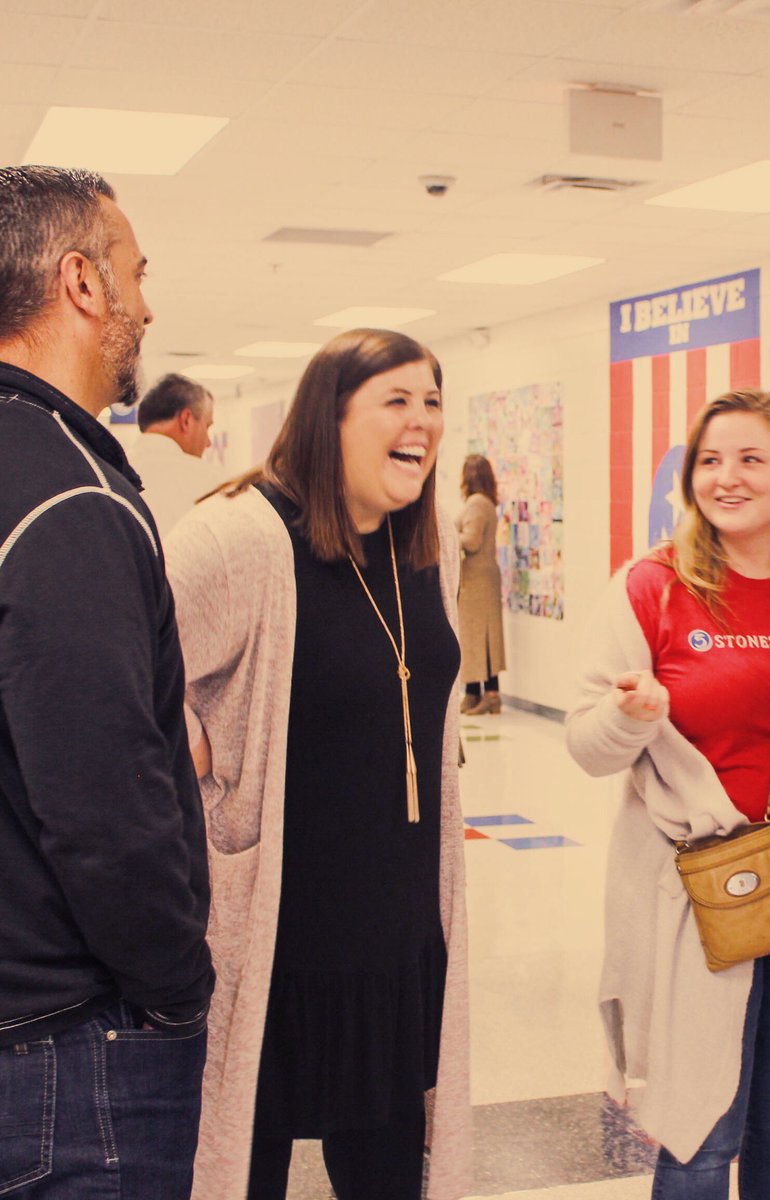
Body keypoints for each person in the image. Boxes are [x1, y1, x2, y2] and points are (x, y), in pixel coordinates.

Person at [567, 388, 770, 1200]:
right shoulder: (650, 585)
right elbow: (586, 745)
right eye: (710, 460)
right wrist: (628, 715)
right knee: (702, 1126)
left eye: (752, 458)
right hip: (711, 897)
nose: (727, 477)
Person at [165, 329, 471, 1200]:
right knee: (242, 1170)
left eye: (433, 402)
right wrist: (202, 746)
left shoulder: (427, 546)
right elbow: (121, 676)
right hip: (278, 948)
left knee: (388, 1177)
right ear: (326, 419)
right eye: (396, 401)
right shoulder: (240, 536)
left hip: (398, 940)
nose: (422, 422)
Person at [0, 164, 213, 1197]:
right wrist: (175, 987)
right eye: (137, 272)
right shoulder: (69, 494)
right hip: (71, 1053)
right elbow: (104, 804)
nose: (148, 306)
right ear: (81, 282)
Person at [127, 371, 221, 537]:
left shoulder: (110, 472)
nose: (208, 443)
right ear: (186, 420)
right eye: (207, 426)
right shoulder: (210, 481)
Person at [456, 453, 506, 716]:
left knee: (477, 637)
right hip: (485, 576)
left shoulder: (476, 503)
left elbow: (472, 541)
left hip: (476, 579)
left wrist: (448, 534)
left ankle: (486, 694)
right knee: (483, 637)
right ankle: (477, 692)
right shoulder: (487, 502)